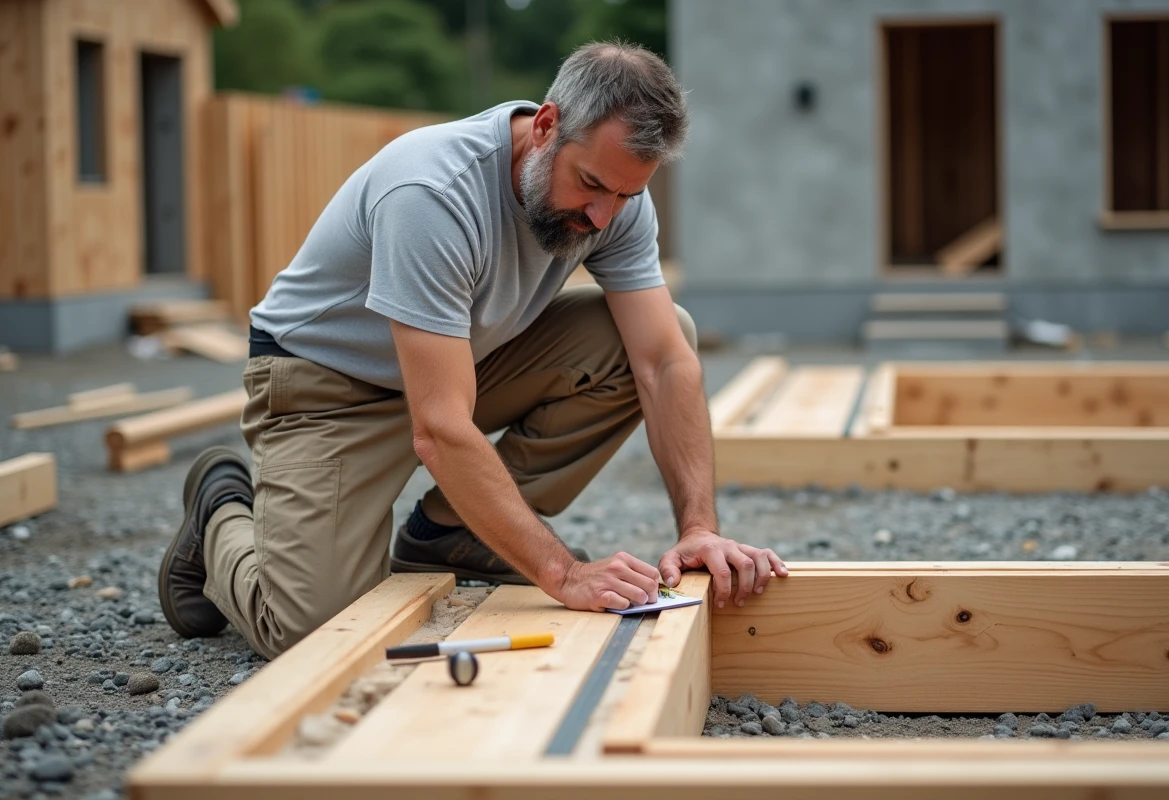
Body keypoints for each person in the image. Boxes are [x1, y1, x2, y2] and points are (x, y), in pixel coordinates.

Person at [158, 41, 787, 660]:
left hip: (460, 362)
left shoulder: (615, 198)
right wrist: (561, 573)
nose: (603, 216)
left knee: (663, 332)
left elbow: (664, 362)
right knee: (309, 630)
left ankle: (450, 533)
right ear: (546, 125)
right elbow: (440, 427)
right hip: (326, 387)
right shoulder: (432, 193)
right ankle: (221, 510)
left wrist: (698, 527)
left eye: (623, 196)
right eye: (591, 185)